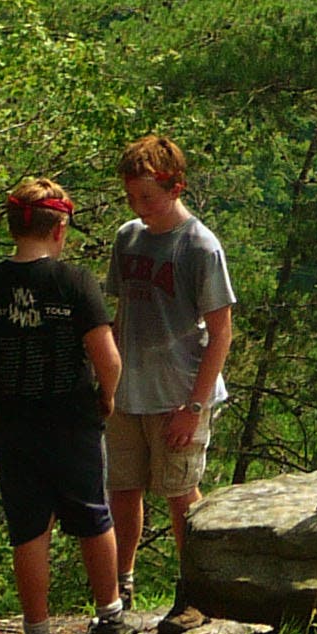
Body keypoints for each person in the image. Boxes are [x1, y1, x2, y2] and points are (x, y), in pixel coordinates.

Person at [0, 177, 128, 634]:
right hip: (72, 420)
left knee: (28, 526)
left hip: (11, 425)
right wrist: (106, 396)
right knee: (92, 513)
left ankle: (37, 632)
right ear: (60, 227)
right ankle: (110, 616)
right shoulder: (75, 283)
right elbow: (108, 358)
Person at [103, 132, 235, 607]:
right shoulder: (128, 238)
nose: (139, 206)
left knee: (181, 494)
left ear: (176, 187)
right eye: (132, 197)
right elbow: (121, 316)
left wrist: (194, 407)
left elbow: (221, 332)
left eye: (148, 197)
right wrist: (108, 380)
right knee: (122, 489)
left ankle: (197, 588)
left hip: (181, 394)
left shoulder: (199, 246)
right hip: (128, 392)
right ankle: (121, 582)